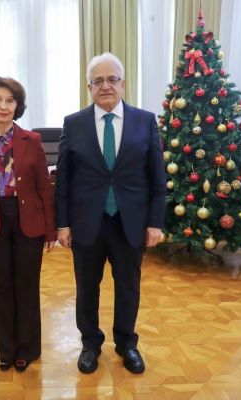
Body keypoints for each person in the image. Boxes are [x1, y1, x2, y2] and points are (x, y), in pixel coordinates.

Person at [54, 53, 166, 374]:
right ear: (89, 86)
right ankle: (90, 343)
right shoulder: (73, 123)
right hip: (86, 222)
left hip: (130, 223)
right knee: (86, 287)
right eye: (98, 80)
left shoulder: (145, 121)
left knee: (128, 286)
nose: (106, 86)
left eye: (112, 79)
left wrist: (155, 222)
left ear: (123, 83)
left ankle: (127, 343)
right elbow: (64, 179)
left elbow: (157, 176)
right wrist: (62, 223)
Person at [0, 76, 56, 372]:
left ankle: (27, 349)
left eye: (9, 100)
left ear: (17, 106)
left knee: (27, 286)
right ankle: (6, 349)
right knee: (0, 287)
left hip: (28, 218)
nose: (3, 106)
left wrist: (50, 231)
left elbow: (44, 187)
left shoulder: (32, 140)